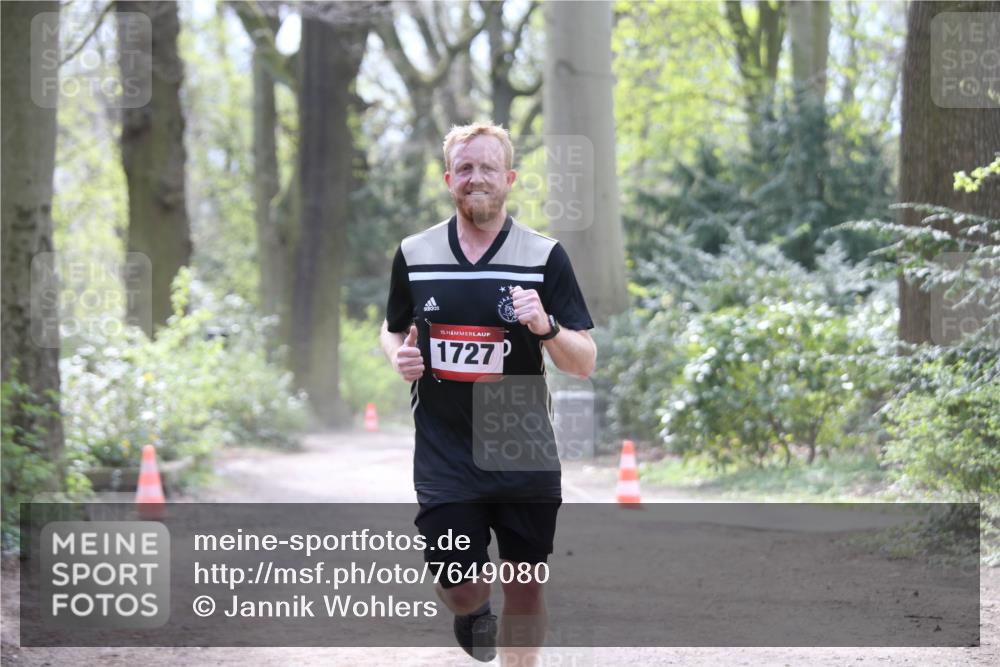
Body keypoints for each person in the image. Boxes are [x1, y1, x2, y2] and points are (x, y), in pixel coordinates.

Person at [380, 121, 596, 664]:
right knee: (463, 586)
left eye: (489, 169)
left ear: (510, 179)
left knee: (524, 589)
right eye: (466, 168)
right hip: (445, 449)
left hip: (520, 444)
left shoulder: (544, 257)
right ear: (450, 177)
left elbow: (585, 361)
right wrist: (398, 356)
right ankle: (472, 612)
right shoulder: (415, 253)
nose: (477, 178)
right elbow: (392, 327)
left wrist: (546, 327)